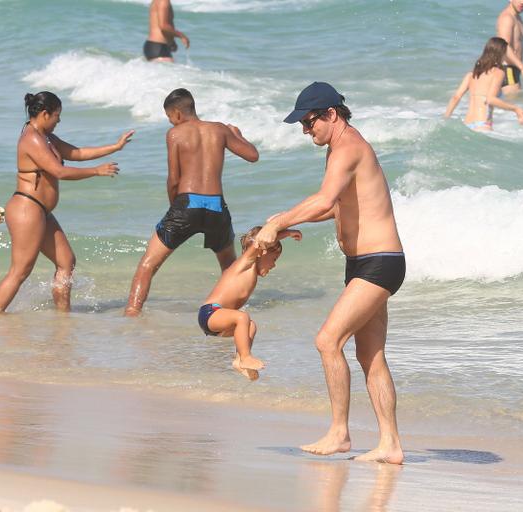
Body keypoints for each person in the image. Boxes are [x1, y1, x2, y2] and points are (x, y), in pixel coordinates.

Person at [254, 82, 406, 464]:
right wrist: (282, 221)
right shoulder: (340, 149)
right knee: (370, 355)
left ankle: (339, 433)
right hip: (366, 263)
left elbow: (322, 198)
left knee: (327, 341)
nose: (306, 131)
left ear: (331, 115)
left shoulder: (349, 147)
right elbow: (334, 206)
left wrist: (279, 222)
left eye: (308, 123)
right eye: (303, 126)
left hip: (379, 262)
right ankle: (390, 444)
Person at [0, 91, 133, 313]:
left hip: (41, 212)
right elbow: (59, 171)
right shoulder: (32, 139)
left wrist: (114, 147)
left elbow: (76, 152)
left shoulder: (46, 136)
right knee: (20, 271)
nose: (59, 120)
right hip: (27, 209)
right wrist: (96, 171)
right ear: (45, 114)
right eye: (57, 115)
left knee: (66, 261)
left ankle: (62, 317)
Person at [124, 88, 259, 316]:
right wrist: (237, 135)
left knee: (148, 264)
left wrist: (174, 208)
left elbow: (174, 178)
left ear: (176, 114)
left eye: (169, 117)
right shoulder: (220, 130)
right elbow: (253, 155)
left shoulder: (175, 134)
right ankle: (233, 311)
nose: (171, 122)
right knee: (230, 266)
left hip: (186, 204)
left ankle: (131, 313)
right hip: (216, 206)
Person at [199, 226, 302, 381]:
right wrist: (287, 233)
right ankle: (246, 357)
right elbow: (259, 242)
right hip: (210, 313)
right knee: (242, 317)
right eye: (274, 259)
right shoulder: (245, 263)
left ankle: (239, 361)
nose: (274, 265)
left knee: (251, 326)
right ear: (262, 252)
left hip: (219, 321)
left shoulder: (252, 271)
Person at [444, 37, 523, 131]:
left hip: (467, 124)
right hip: (483, 124)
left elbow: (456, 97)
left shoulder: (471, 75)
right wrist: (515, 109)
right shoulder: (498, 73)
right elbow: (490, 99)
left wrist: (445, 119)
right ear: (501, 54)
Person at [496, 0, 523, 95]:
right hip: (507, 69)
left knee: (512, 105)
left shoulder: (517, 18)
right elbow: (504, 46)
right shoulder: (507, 18)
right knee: (512, 105)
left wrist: (520, 68)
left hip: (513, 69)